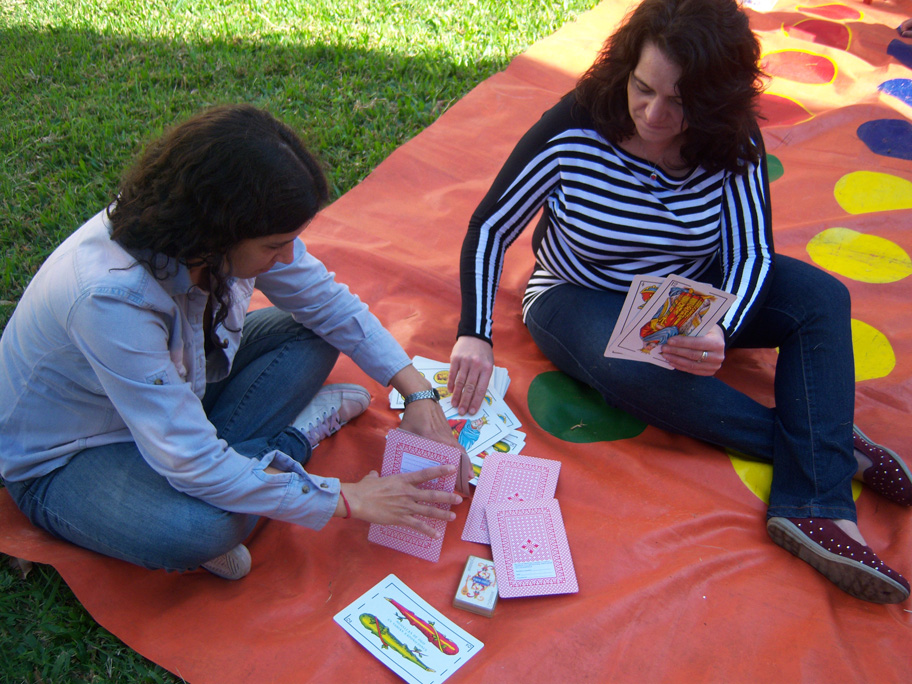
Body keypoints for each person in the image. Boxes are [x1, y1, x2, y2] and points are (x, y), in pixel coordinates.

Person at [448, 0, 912, 603]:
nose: (654, 114)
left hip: (687, 288)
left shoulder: (731, 136)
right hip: (577, 291)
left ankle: (811, 502)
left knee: (821, 296)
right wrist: (474, 331)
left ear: (716, 100)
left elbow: (750, 251)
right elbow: (491, 226)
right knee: (632, 363)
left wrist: (722, 326)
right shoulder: (574, 123)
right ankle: (828, 456)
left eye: (680, 101)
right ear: (626, 68)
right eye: (643, 89)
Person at [0, 105, 464, 580]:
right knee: (204, 528)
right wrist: (346, 498)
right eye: (274, 245)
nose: (288, 255)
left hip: (175, 402)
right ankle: (289, 442)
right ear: (217, 231)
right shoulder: (111, 299)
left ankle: (245, 473)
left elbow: (326, 303)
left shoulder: (197, 235)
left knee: (316, 331)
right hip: (69, 456)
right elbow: (188, 460)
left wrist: (419, 394)